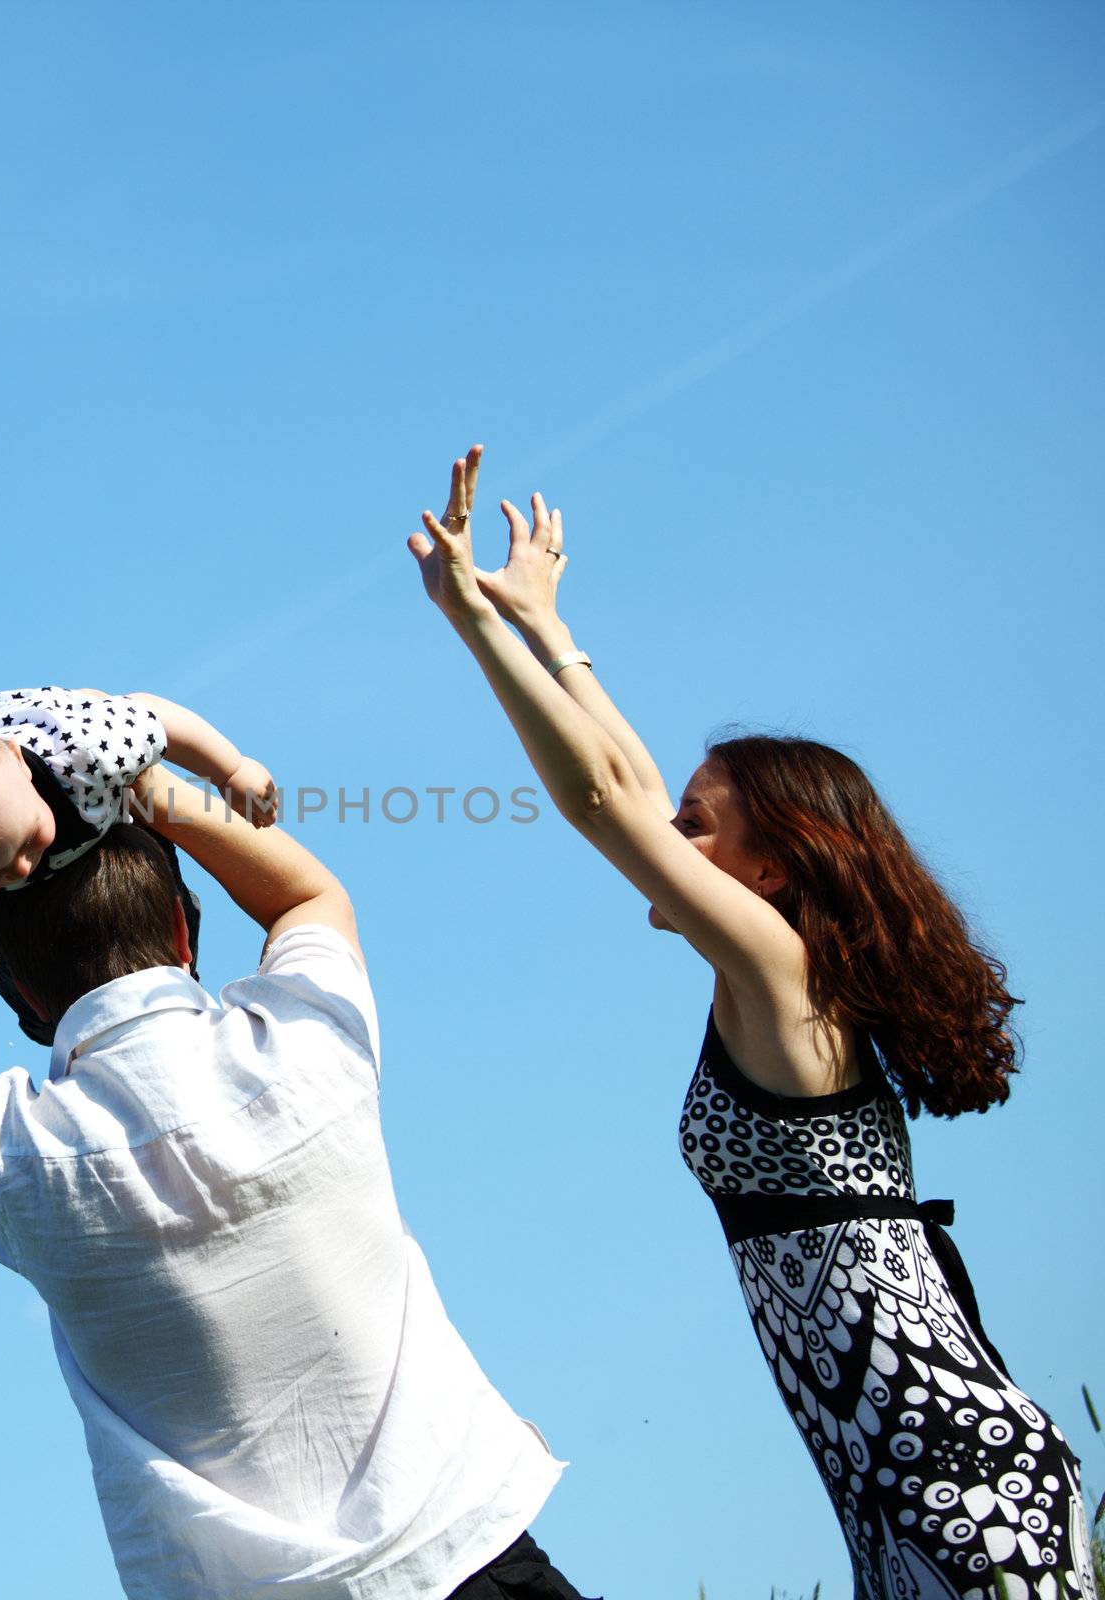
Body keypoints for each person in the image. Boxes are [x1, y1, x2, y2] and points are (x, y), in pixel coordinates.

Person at [406, 446, 1098, 1599]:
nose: (672, 841)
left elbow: (599, 800)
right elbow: (624, 781)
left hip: (959, 1485)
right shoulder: (775, 979)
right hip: (909, 1484)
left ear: (771, 869)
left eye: (700, 827)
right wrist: (546, 627)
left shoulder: (783, 977)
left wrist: (474, 621)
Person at [0, 760, 587, 1600]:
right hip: (472, 1554)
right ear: (182, 928)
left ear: (18, 991)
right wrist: (149, 786)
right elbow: (308, 899)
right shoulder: (305, 1045)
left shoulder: (9, 1156)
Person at [0, 683, 277, 1042]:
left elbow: (154, 715)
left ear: (18, 764)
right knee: (37, 1002)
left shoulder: (85, 755)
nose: (22, 869)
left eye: (27, 840)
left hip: (64, 744)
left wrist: (231, 770)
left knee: (158, 909)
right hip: (3, 846)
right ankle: (53, 1026)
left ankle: (171, 981)